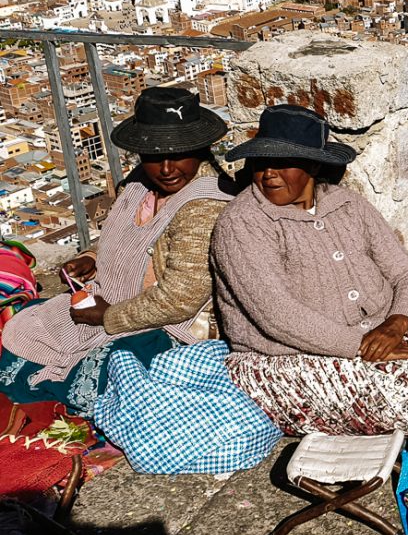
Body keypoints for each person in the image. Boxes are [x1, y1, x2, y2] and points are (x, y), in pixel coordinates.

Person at [211, 105, 408, 435]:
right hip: (286, 357)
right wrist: (362, 344)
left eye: (283, 163)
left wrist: (397, 322)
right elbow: (278, 316)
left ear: (312, 164)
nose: (268, 174)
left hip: (378, 333)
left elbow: (406, 272)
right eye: (261, 162)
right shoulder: (243, 225)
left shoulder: (347, 205)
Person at [0, 87, 236, 415]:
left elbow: (180, 300)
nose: (167, 168)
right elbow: (126, 240)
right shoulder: (139, 184)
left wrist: (107, 316)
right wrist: (91, 258)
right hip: (112, 303)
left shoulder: (204, 207)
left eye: (178, 154)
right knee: (25, 326)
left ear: (200, 149)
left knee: (108, 375)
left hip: (170, 325)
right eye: (154, 155)